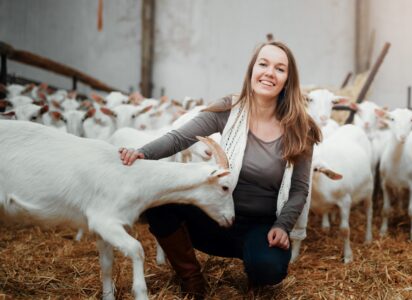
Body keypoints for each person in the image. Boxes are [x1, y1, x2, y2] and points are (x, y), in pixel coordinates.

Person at [118, 41, 321, 298]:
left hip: (262, 227)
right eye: (263, 64)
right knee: (159, 203)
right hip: (218, 213)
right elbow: (180, 138)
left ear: (288, 80)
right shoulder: (229, 109)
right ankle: (192, 279)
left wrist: (283, 226)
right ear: (251, 70)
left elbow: (300, 188)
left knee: (269, 268)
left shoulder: (301, 128)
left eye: (280, 69)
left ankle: (256, 272)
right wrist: (143, 152)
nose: (270, 72)